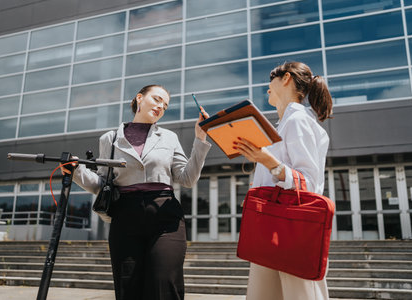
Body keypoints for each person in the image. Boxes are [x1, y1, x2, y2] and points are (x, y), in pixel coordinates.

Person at [62, 84, 211, 300]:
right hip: (125, 216)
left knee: (165, 285)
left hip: (165, 216)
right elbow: (102, 183)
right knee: (128, 288)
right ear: (139, 98)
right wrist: (77, 171)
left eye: (165, 105)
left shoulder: (168, 137)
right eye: (157, 99)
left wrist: (200, 139)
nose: (161, 106)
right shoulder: (109, 139)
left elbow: (187, 178)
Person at [234, 61, 333, 300]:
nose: (267, 87)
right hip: (271, 226)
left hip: (290, 228)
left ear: (286, 78)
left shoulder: (298, 120)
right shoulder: (283, 124)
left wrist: (269, 162)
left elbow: (309, 184)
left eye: (271, 80)